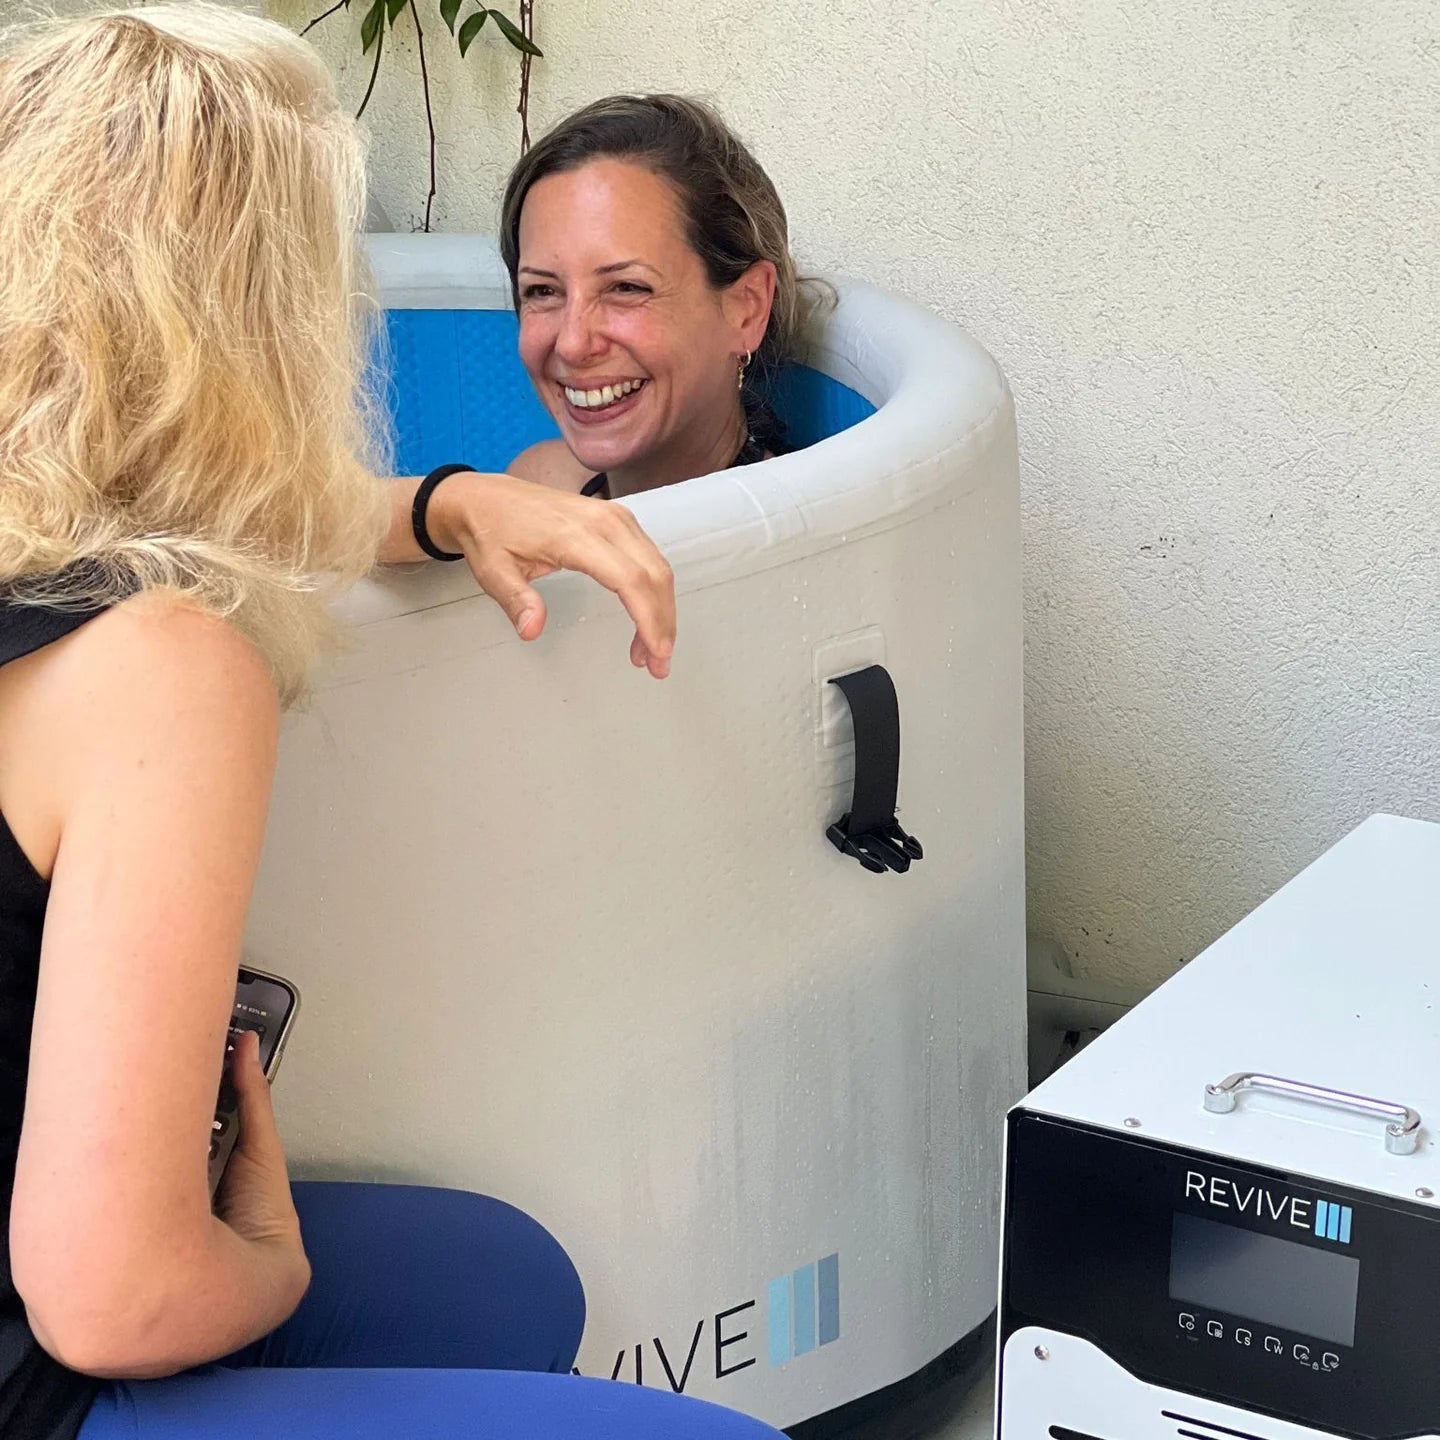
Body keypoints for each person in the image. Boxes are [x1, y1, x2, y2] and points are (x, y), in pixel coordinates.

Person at [0, 7, 783, 1439]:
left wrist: (444, 500)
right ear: (252, 305)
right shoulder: (164, 667)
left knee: (511, 1286)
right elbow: (107, 1303)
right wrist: (265, 1263)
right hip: (40, 1355)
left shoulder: (51, 543)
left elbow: (192, 511)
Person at [501, 94, 822, 502]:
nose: (572, 344)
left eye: (627, 288)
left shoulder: (798, 543)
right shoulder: (540, 490)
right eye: (543, 291)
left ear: (746, 308)